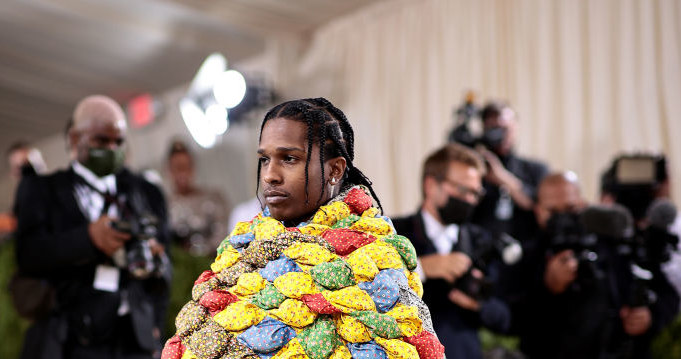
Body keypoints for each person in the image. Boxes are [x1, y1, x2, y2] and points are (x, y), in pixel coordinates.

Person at [162, 98, 445, 359]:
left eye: (289, 159)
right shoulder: (240, 250)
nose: (270, 175)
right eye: (264, 159)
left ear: (335, 170)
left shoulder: (374, 258)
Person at [14, 95, 171, 359]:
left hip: (135, 337)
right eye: (101, 140)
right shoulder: (42, 189)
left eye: (118, 141)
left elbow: (165, 265)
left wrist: (155, 323)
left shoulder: (145, 192)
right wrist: (87, 239)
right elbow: (28, 254)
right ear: (75, 139)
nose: (111, 148)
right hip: (70, 337)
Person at [513, 172, 679, 359]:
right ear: (538, 211)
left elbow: (668, 294)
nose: (563, 218)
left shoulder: (614, 243)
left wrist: (650, 317)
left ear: (583, 204)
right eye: (553, 212)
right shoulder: (525, 256)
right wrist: (548, 287)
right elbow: (510, 318)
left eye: (570, 208)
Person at [392, 143, 511, 359]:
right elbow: (369, 291)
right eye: (462, 190)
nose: (470, 200)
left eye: (476, 193)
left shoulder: (480, 240)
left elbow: (504, 316)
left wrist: (478, 302)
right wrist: (421, 268)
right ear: (431, 185)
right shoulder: (394, 232)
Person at [469, 100, 549, 241]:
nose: (499, 135)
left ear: (516, 126)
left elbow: (539, 204)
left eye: (504, 128)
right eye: (493, 129)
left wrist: (501, 177)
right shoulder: (475, 172)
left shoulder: (535, 169)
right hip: (483, 252)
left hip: (529, 251)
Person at [166, 140, 230, 257]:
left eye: (186, 166)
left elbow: (222, 238)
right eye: (177, 167)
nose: (182, 171)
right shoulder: (163, 205)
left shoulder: (213, 198)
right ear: (169, 170)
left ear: (193, 167)